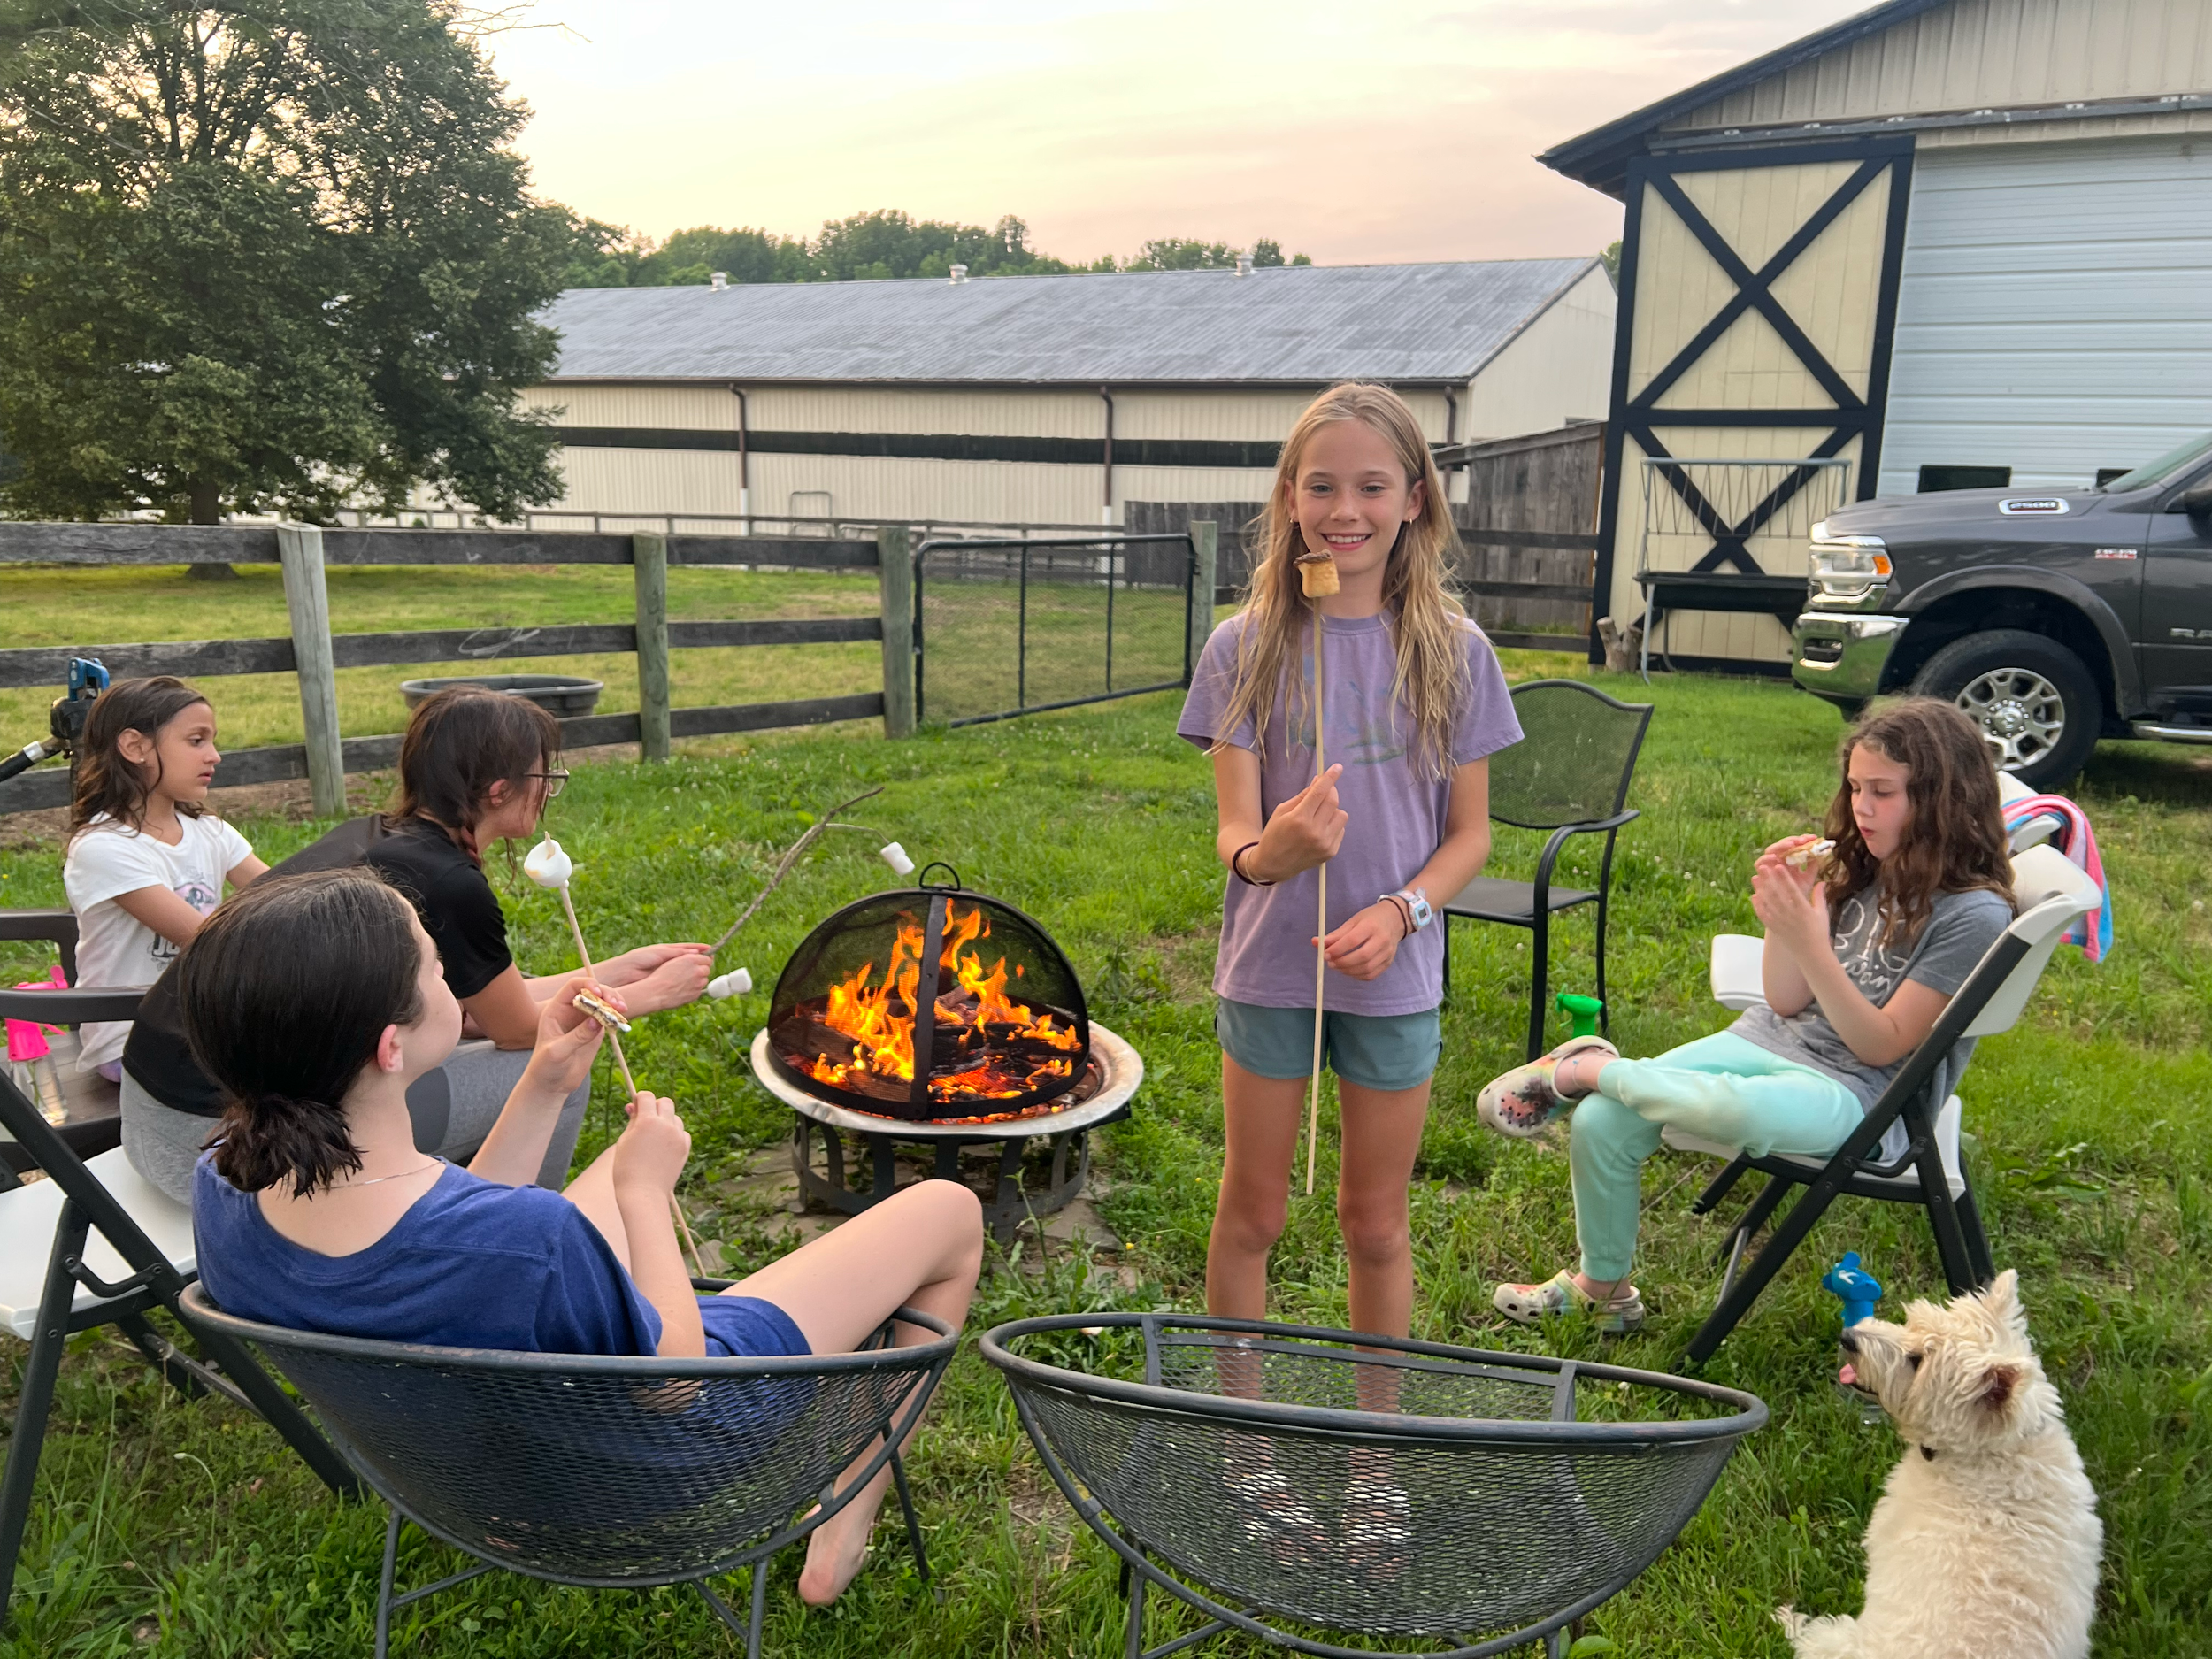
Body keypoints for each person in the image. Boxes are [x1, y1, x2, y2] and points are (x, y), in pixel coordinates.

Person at [177, 870, 983, 1609]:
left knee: (589, 1184)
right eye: (432, 965)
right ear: (391, 1047)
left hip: (461, 1469)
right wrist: (644, 1192)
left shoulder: (223, 1191)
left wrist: (543, 1084)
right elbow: (677, 1379)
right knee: (948, 1211)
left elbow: (449, 1239)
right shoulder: (530, 1240)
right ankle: (845, 1522)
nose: (450, 977)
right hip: (644, 1463)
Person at [1483, 698, 2016, 1334]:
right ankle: (1605, 1286)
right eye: (1854, 788)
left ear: (1942, 799)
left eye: (1883, 791)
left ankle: (1591, 1068)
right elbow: (1786, 1000)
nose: (1861, 808)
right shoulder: (1868, 869)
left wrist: (1812, 941)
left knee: (1723, 1110)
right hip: (1771, 1039)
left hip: (1864, 1097)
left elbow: (1882, 1045)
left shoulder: (1973, 914)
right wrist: (1788, 912)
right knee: (1602, 1121)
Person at [1177, 381, 1521, 1343]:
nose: (1344, 512)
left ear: (1414, 500)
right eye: (1321, 486)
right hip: (1271, 966)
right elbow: (1234, 834)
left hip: (1395, 972)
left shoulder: (1457, 654)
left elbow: (1470, 836)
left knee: (1374, 1224)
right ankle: (1243, 1439)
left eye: (1371, 488)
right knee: (1254, 1213)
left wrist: (1403, 911)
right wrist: (1269, 856)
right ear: (1290, 496)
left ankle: (1373, 1459)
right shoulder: (1241, 649)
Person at [120, 685, 710, 1199]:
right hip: (221, 1146)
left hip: (153, 1109)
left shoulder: (377, 839)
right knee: (558, 1071)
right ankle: (515, 1226)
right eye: (545, 776)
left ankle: (446, 1193)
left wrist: (620, 968)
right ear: (500, 789)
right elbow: (517, 1029)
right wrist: (650, 994)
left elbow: (483, 1007)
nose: (549, 790)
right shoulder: (447, 880)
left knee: (446, 1040)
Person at [61, 676, 267, 1079]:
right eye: (196, 741)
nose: (215, 756)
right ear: (135, 747)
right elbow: (209, 941)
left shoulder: (208, 830)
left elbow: (283, 892)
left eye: (212, 741)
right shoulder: (104, 847)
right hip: (132, 1040)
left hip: (198, 1027)